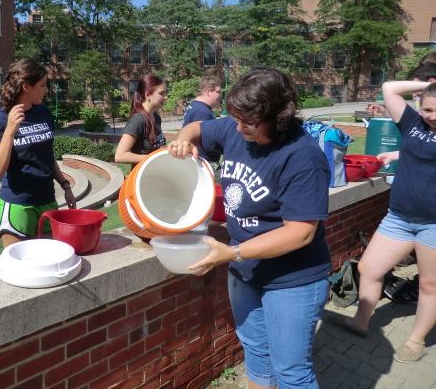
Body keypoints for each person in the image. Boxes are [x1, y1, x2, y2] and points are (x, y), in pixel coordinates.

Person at [168, 67, 331, 388]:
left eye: (250, 123)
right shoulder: (236, 126)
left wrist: (232, 252)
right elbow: (198, 127)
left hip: (292, 279)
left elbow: (301, 232)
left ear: (278, 118)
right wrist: (182, 140)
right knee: (256, 352)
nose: (239, 127)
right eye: (236, 118)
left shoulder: (302, 157)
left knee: (291, 370)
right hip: (245, 272)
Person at [332, 80, 436, 364]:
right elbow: (389, 87)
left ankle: (416, 341)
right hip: (400, 217)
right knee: (369, 267)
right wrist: (430, 82)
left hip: (434, 224)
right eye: (428, 109)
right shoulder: (413, 123)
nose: (433, 116)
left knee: (430, 284)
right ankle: (362, 321)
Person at [0, 58, 75, 248]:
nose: (46, 90)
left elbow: (46, 155)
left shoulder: (43, 112)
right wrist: (10, 129)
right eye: (43, 85)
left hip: (47, 200)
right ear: (27, 87)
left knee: (50, 261)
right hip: (18, 205)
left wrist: (65, 185)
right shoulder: (0, 119)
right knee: (19, 268)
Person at [114, 74, 168, 165]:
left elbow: (156, 147)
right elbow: (119, 156)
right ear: (147, 95)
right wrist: (153, 158)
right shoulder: (138, 120)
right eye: (161, 93)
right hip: (141, 176)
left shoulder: (156, 116)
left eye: (165, 93)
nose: (165, 96)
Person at [366, 61, 436, 117]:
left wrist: (433, 86)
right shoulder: (419, 100)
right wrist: (383, 111)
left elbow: (389, 87)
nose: (413, 94)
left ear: (431, 82)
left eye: (416, 88)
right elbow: (408, 118)